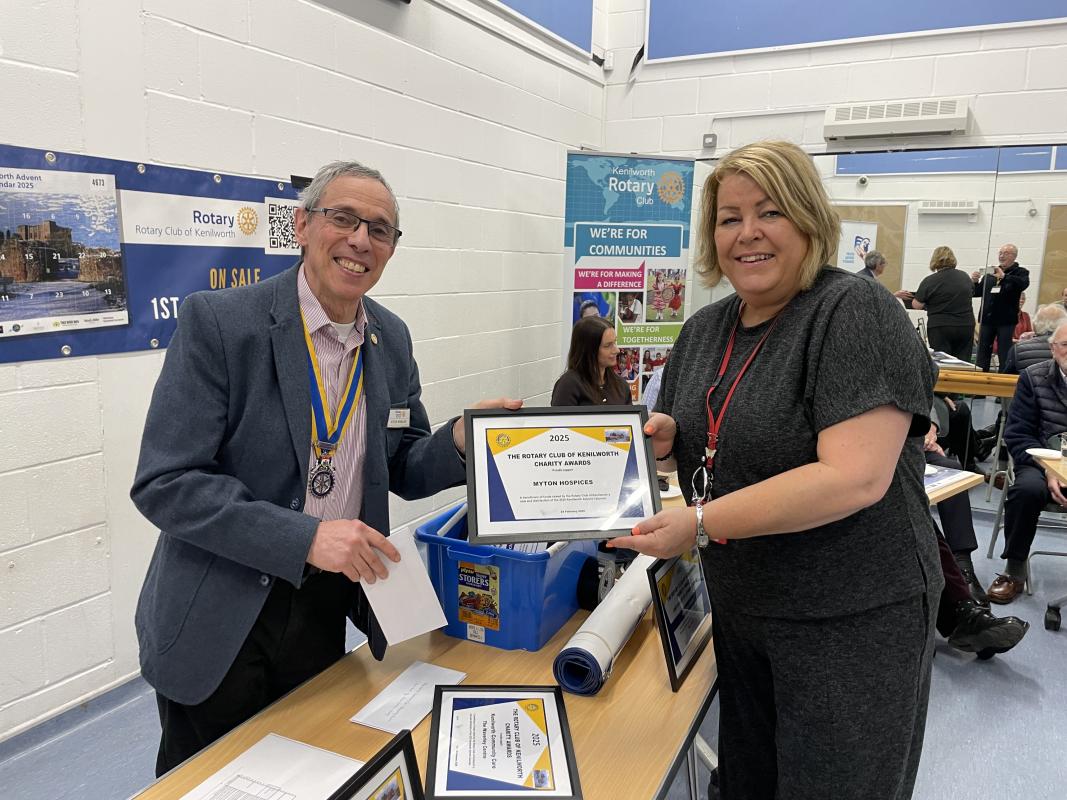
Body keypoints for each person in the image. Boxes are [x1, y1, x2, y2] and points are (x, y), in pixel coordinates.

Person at [130, 160, 521, 775]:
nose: (361, 239)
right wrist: (306, 537)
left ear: (392, 249)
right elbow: (167, 483)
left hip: (320, 610)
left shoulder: (389, 338)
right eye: (343, 218)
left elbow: (400, 464)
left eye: (381, 229)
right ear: (303, 225)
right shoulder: (222, 324)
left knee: (302, 769)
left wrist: (460, 442)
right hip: (220, 609)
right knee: (207, 780)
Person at [609, 141, 940, 800]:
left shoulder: (851, 311)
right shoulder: (704, 329)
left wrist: (697, 524)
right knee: (746, 784)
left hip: (850, 617)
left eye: (769, 211)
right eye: (729, 217)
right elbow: (706, 445)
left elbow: (853, 478)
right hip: (746, 606)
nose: (747, 232)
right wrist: (668, 441)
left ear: (809, 219)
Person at [988, 319, 1067, 603]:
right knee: (1026, 491)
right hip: (1039, 460)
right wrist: (1050, 470)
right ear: (1052, 348)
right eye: (1066, 345)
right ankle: (1014, 569)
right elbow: (1019, 435)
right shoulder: (1033, 378)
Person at [895, 245, 976, 363]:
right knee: (963, 362)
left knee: (942, 362)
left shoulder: (930, 280)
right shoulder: (964, 277)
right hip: (965, 325)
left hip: (940, 326)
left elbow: (917, 305)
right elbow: (971, 293)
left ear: (935, 260)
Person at [971, 243, 1029, 372]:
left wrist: (1004, 277)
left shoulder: (1020, 272)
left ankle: (1003, 382)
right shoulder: (991, 273)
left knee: (1004, 352)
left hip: (1006, 321)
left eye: (1006, 253)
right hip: (987, 319)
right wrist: (974, 282)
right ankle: (979, 386)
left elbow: (1022, 284)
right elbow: (976, 292)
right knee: (982, 352)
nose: (1002, 256)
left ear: (1014, 256)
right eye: (1000, 253)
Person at [551, 315, 631, 406]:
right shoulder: (569, 385)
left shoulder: (621, 385)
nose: (617, 350)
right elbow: (561, 419)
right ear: (589, 350)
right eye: (607, 345)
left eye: (615, 342)